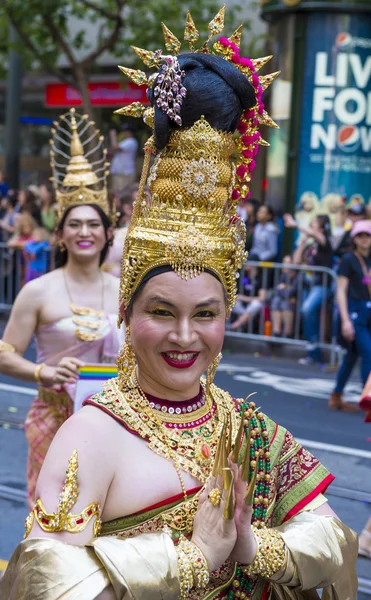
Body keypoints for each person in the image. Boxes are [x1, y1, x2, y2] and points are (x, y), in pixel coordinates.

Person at [0, 11, 357, 600]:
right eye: (162, 312)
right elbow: (48, 586)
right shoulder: (91, 436)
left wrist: (253, 547)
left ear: (227, 316)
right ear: (127, 313)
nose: (185, 336)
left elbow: (332, 536)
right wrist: (191, 560)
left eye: (207, 314)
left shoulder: (248, 427)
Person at [0, 109, 122, 507]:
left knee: (111, 515)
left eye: (93, 225)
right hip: (53, 418)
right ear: (60, 235)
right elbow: (4, 353)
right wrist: (43, 371)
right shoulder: (39, 291)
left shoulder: (127, 293)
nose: (84, 232)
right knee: (51, 514)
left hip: (118, 423)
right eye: (75, 224)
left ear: (108, 234)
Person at [329, 220, 371, 411]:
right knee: (368, 352)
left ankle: (336, 396)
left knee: (353, 355)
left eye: (367, 235)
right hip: (354, 311)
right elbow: (341, 291)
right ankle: (367, 397)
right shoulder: (348, 259)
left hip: (368, 310)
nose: (364, 239)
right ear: (354, 238)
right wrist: (345, 320)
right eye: (360, 235)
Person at [285, 213, 334, 365]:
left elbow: (315, 234)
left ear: (322, 226)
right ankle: (312, 352)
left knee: (307, 309)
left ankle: (314, 350)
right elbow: (296, 261)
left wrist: (295, 224)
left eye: (315, 222)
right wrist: (302, 244)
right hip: (307, 284)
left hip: (321, 284)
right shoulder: (311, 244)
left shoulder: (325, 241)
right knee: (306, 313)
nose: (312, 225)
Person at [270, 255, 297, 338]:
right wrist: (286, 289)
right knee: (276, 301)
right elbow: (277, 291)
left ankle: (288, 333)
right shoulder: (283, 276)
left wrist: (284, 289)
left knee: (285, 303)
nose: (285, 265)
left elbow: (291, 293)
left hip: (296, 303)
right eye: (284, 262)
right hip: (283, 300)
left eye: (288, 262)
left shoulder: (297, 276)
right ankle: (276, 332)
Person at [109, 124, 138, 193]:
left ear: (129, 132)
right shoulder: (125, 142)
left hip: (125, 173)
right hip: (120, 173)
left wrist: (113, 135)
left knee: (123, 194)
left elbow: (115, 147)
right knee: (117, 193)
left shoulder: (131, 142)